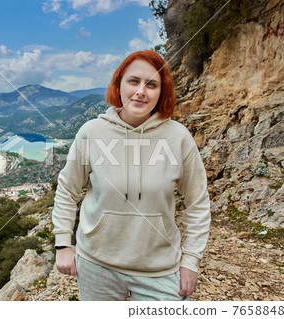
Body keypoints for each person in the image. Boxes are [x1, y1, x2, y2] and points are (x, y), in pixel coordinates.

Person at [52, 50, 211, 301]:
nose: (141, 91)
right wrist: (63, 243)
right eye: (133, 81)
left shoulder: (178, 137)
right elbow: (67, 189)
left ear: (162, 92)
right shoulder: (92, 132)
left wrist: (190, 261)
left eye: (152, 84)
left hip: (159, 270)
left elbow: (198, 202)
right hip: (96, 265)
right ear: (119, 85)